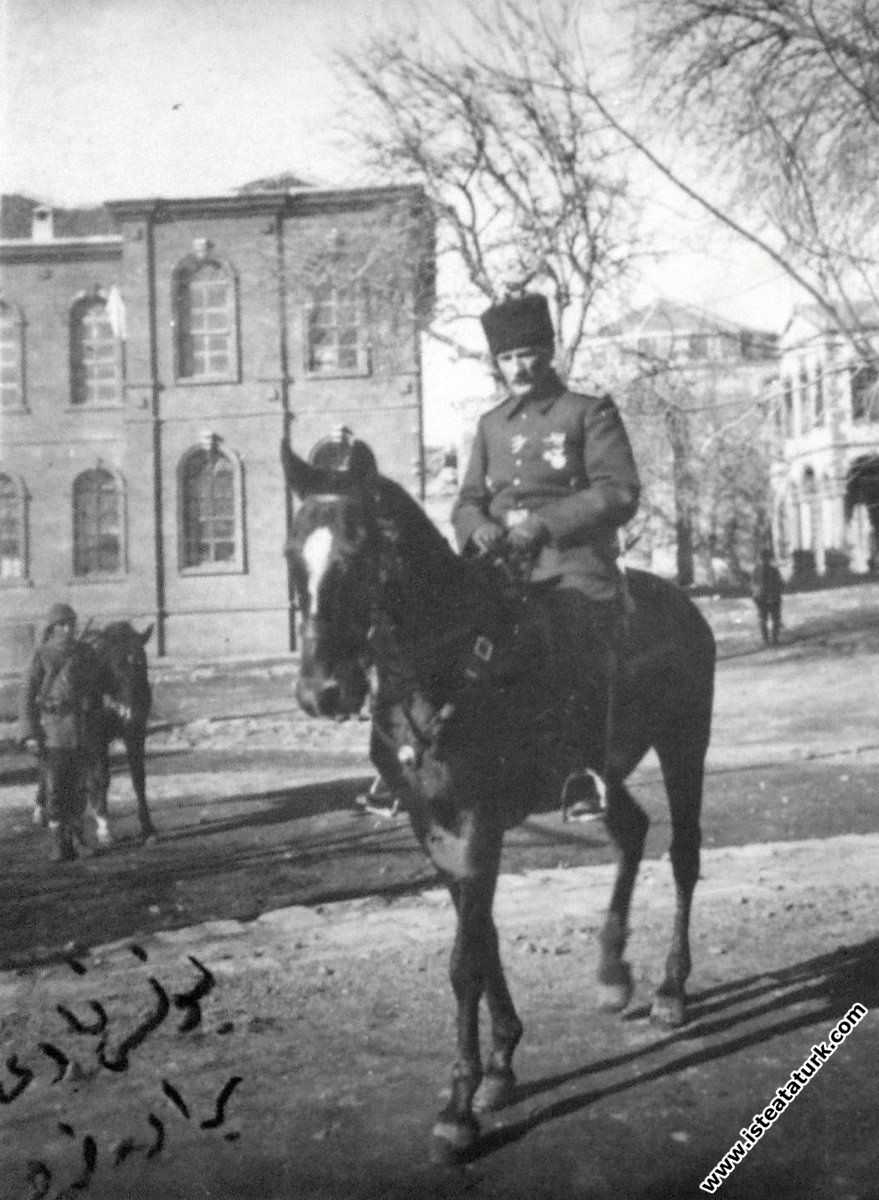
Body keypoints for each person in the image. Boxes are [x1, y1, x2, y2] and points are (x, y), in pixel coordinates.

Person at [452, 292, 641, 818]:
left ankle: (582, 770)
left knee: (569, 631)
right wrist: (480, 529)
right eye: (507, 358)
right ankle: (413, 758)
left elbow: (619, 490)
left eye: (529, 353)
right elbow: (467, 500)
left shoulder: (587, 412)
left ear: (550, 350)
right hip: (499, 564)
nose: (519, 366)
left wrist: (542, 525)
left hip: (570, 562)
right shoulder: (491, 424)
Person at [18, 603, 109, 862]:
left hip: (81, 730)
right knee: (56, 788)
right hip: (53, 732)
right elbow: (26, 696)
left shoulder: (85, 652)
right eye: (64, 624)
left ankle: (78, 838)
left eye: (72, 623)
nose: (70, 628)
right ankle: (59, 842)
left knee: (79, 788)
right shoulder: (42, 655)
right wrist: (30, 734)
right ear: (54, 627)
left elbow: (98, 683)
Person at [751, 548, 783, 646]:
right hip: (770, 597)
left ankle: (768, 640)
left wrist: (755, 596)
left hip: (763, 598)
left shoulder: (757, 570)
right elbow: (780, 584)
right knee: (773, 619)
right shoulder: (773, 570)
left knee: (764, 619)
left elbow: (754, 585)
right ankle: (773, 639)